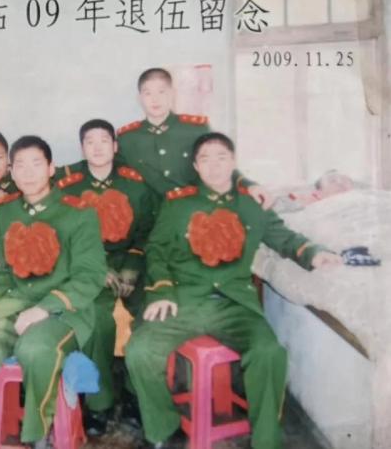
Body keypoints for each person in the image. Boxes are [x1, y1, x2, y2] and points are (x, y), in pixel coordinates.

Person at [125, 132, 342, 449]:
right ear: (196, 166)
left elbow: (283, 237)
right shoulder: (178, 204)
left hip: (235, 304)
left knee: (269, 353)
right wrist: (162, 291)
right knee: (139, 351)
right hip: (184, 300)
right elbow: (156, 250)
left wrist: (313, 253)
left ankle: (266, 441)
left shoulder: (251, 205)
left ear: (233, 162)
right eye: (205, 160)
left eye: (221, 158)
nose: (214, 166)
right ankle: (165, 432)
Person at [0, 136, 107, 449]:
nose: (28, 172)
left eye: (36, 164)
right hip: (12, 306)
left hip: (63, 310)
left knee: (35, 349)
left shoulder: (79, 213)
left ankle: (37, 433)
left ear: (51, 168)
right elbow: (2, 273)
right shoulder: (5, 212)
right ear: (12, 171)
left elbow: (90, 276)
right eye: (20, 165)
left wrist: (43, 308)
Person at [54, 119, 158, 435]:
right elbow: (61, 235)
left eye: (103, 141)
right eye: (90, 141)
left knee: (148, 313)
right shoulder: (67, 185)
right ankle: (99, 402)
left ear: (114, 146)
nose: (97, 147)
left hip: (131, 263)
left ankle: (135, 395)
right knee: (97, 318)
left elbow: (148, 229)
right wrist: (95, 268)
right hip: (88, 268)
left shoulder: (135, 184)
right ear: (82, 148)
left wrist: (133, 264)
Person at [116, 67, 272, 208]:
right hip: (148, 220)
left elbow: (218, 164)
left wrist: (248, 185)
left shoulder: (195, 129)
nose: (155, 99)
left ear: (172, 94)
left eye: (161, 92)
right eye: (148, 93)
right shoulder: (127, 138)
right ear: (140, 98)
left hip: (193, 214)